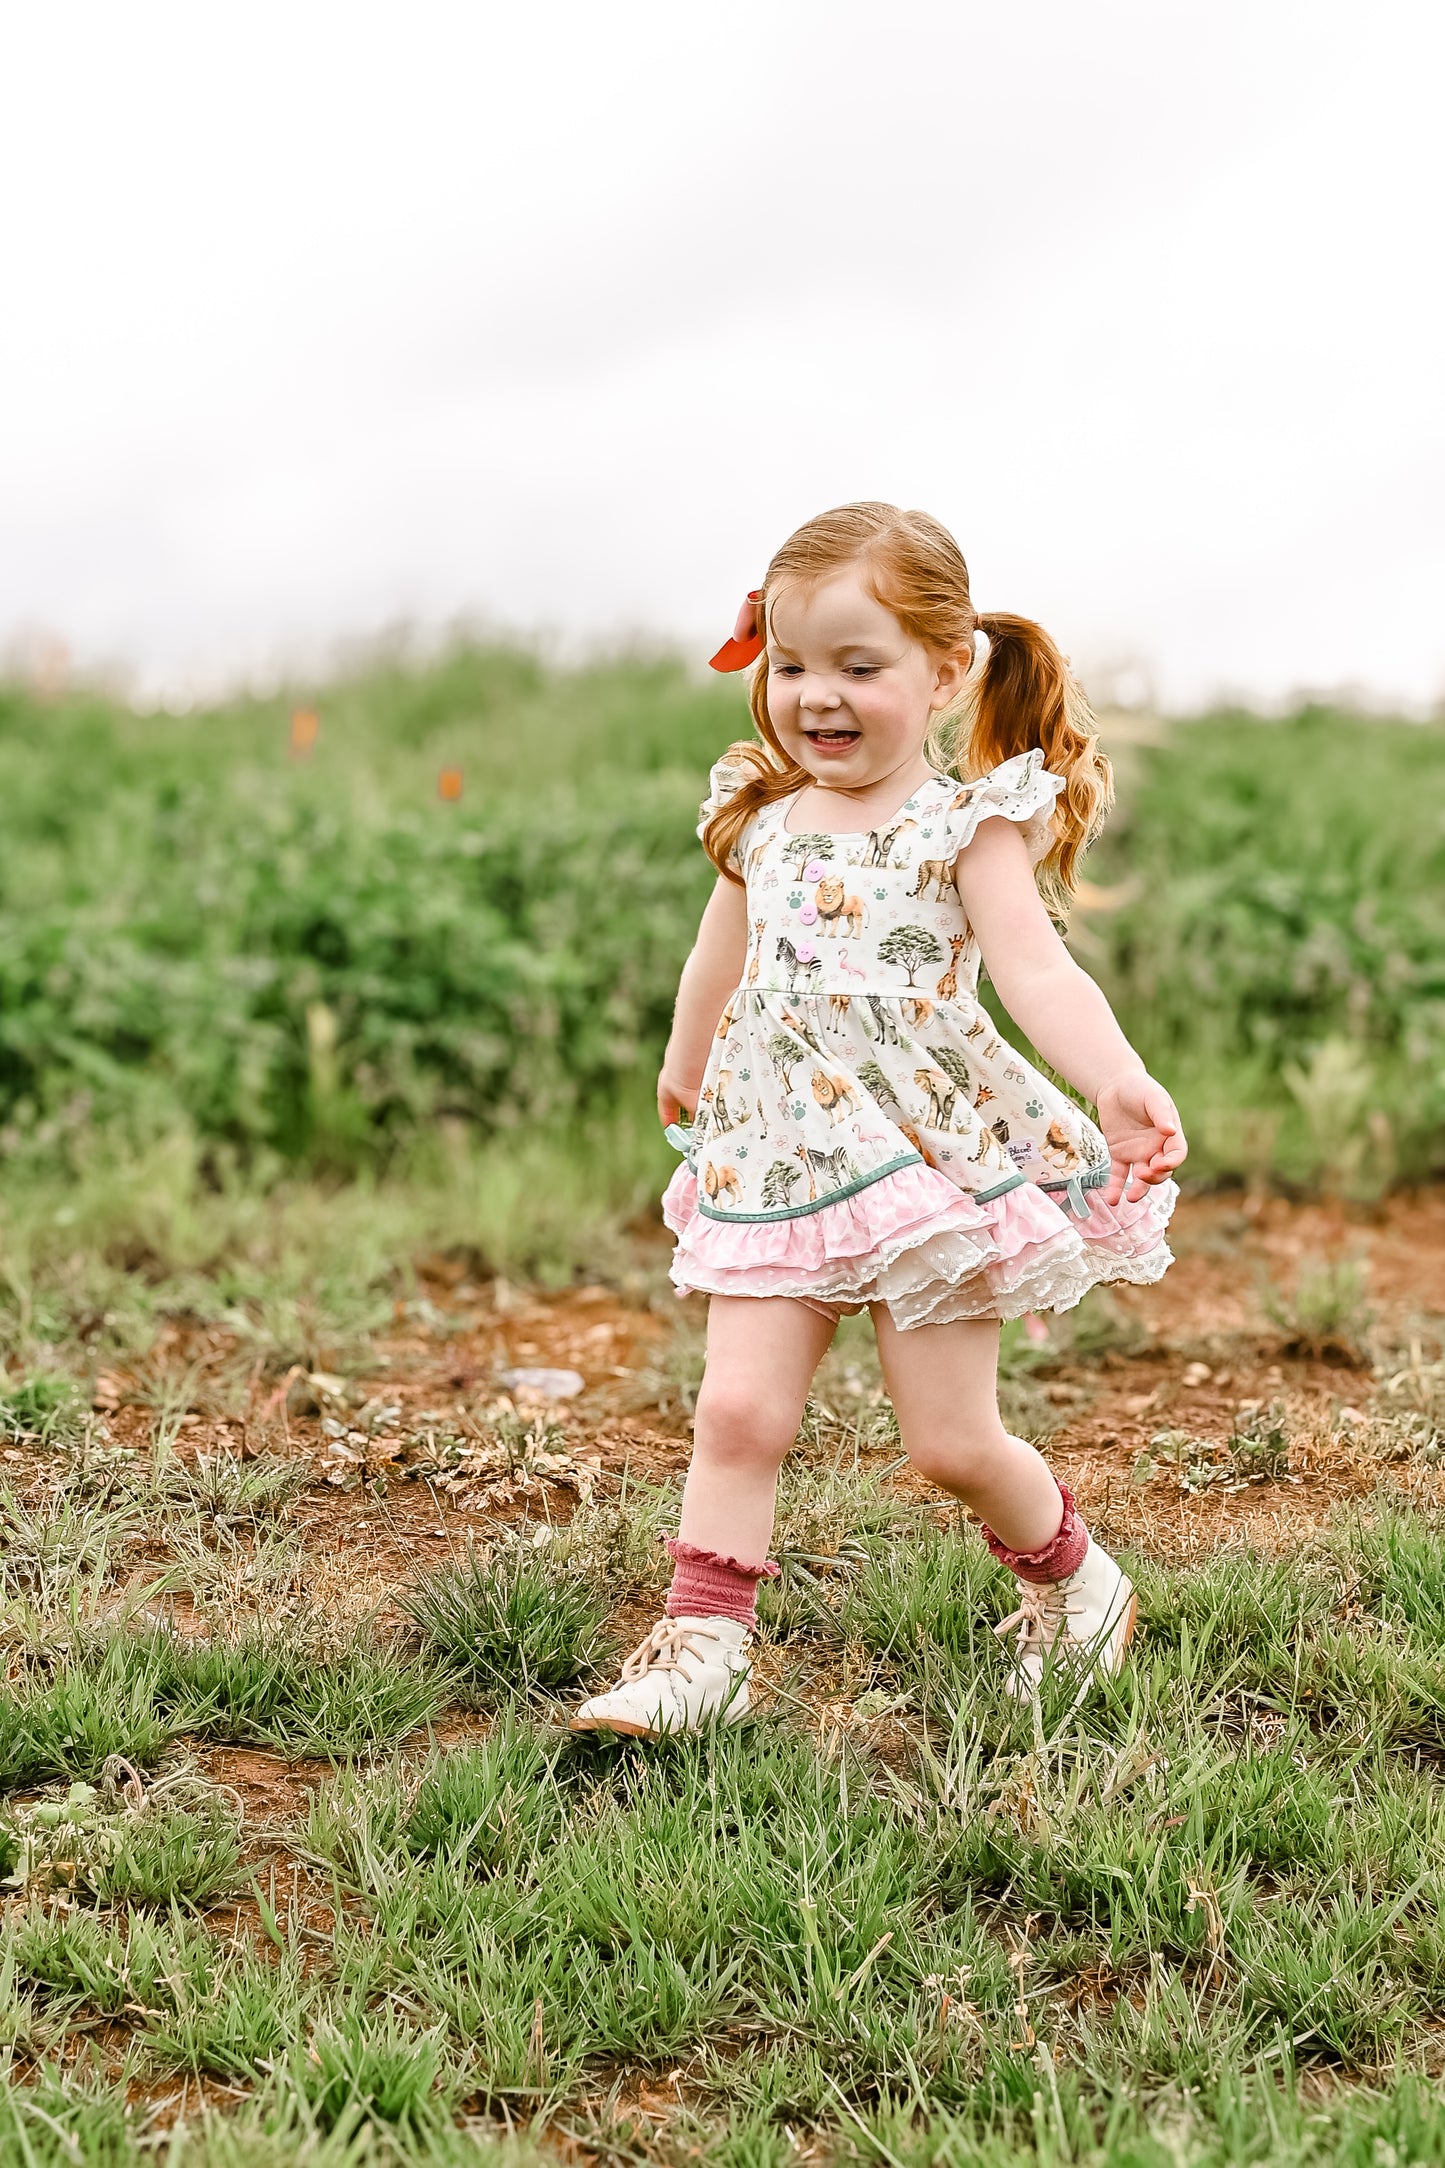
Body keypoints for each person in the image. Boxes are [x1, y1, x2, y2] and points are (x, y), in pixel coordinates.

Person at [571, 502, 1185, 1739]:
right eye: (793, 664)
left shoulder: (964, 823)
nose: (818, 696)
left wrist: (1114, 1075)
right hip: (779, 1148)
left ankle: (1078, 1587)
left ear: (946, 671)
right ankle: (702, 1651)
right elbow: (716, 953)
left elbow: (1036, 973)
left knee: (951, 1443)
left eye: (859, 666)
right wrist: (687, 1059)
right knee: (738, 1411)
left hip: (922, 1164)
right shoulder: (760, 817)